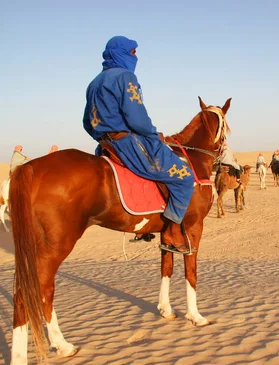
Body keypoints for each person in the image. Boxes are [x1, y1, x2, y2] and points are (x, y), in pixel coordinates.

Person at [83, 35, 195, 255]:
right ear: (121, 53)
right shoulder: (125, 77)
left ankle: (144, 224)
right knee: (184, 177)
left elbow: (87, 122)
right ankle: (172, 231)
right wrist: (153, 134)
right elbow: (137, 118)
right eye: (133, 52)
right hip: (129, 144)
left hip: (105, 146)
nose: (136, 57)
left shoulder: (94, 82)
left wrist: (103, 135)